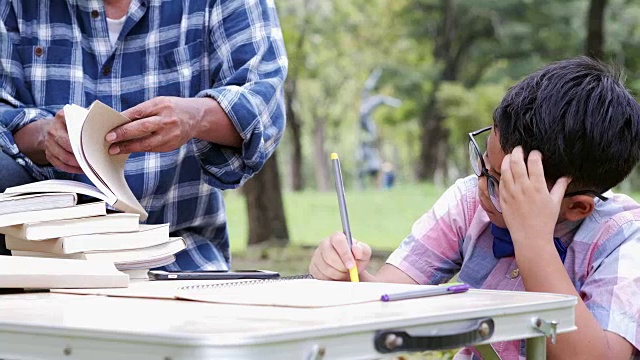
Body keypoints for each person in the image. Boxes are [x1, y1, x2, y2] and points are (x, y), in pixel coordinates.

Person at [309, 57, 640, 359]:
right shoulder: (470, 202)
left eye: (502, 186)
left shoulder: (622, 238)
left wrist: (533, 243)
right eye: (483, 162)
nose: (481, 184)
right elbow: (387, 301)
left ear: (577, 207)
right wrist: (347, 276)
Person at [0, 0, 287, 270]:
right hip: (40, 256)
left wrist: (195, 116)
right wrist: (42, 136)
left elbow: (265, 104)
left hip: (178, 256)